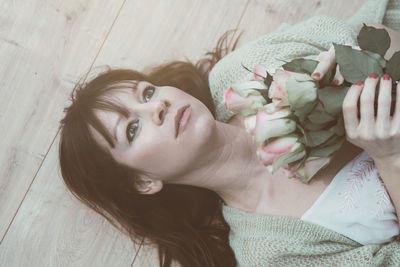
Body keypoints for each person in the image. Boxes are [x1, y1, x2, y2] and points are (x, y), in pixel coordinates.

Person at [58, 0, 400, 266]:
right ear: (143, 181)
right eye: (133, 129)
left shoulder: (239, 71)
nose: (158, 106)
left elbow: (378, 28)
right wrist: (389, 157)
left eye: (147, 93)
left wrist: (358, 68)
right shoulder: (267, 251)